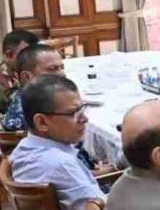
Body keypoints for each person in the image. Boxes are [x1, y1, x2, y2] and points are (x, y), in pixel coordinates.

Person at [10, 74, 112, 210]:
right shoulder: (60, 164)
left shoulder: (25, 148)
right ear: (42, 122)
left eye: (82, 109)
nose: (84, 119)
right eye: (73, 113)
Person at [2, 44, 116, 175]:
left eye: (62, 67)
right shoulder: (31, 112)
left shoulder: (30, 100)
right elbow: (50, 170)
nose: (61, 73)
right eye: (52, 69)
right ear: (27, 77)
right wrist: (108, 172)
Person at [0, 29, 39, 112]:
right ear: (9, 55)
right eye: (27, 54)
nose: (34, 59)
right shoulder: (3, 81)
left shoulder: (21, 71)